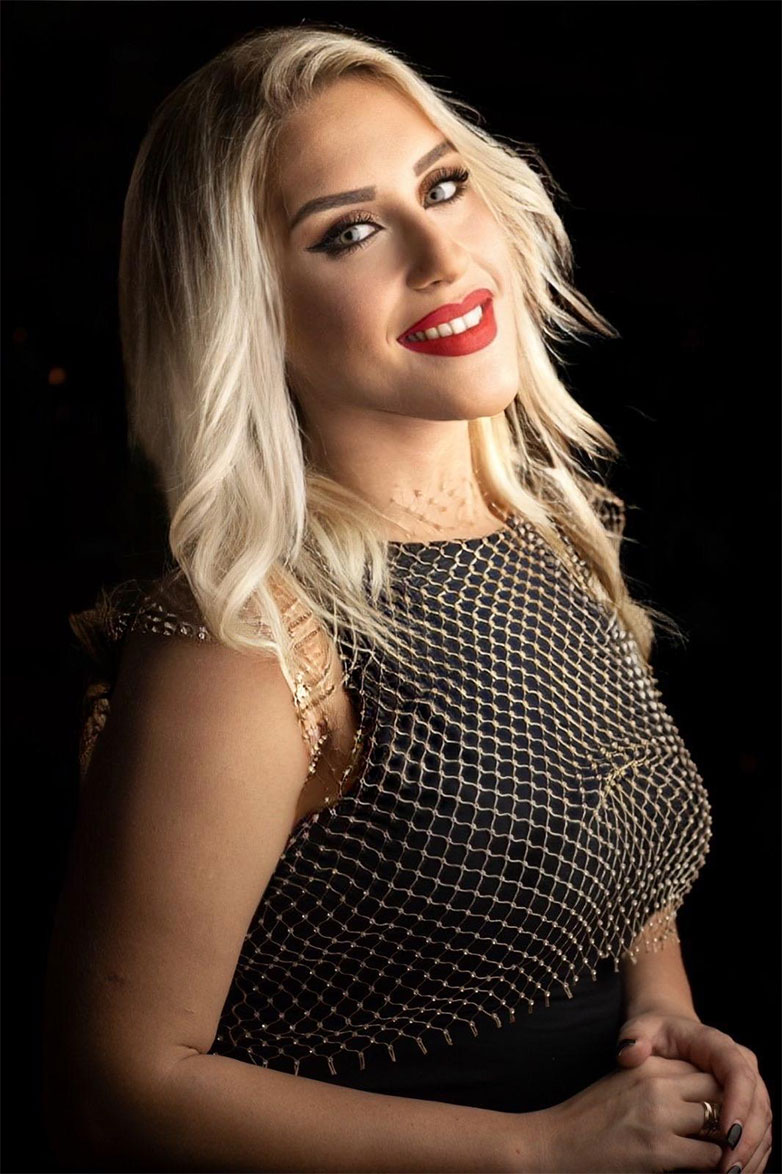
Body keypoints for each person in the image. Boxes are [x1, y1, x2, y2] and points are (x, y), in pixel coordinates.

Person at [42, 23, 772, 1174]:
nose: (440, 254)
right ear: (249, 308)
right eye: (349, 232)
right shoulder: (247, 638)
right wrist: (538, 1150)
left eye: (441, 186)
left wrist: (661, 1016)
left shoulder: (549, 530)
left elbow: (612, 831)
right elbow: (117, 1088)